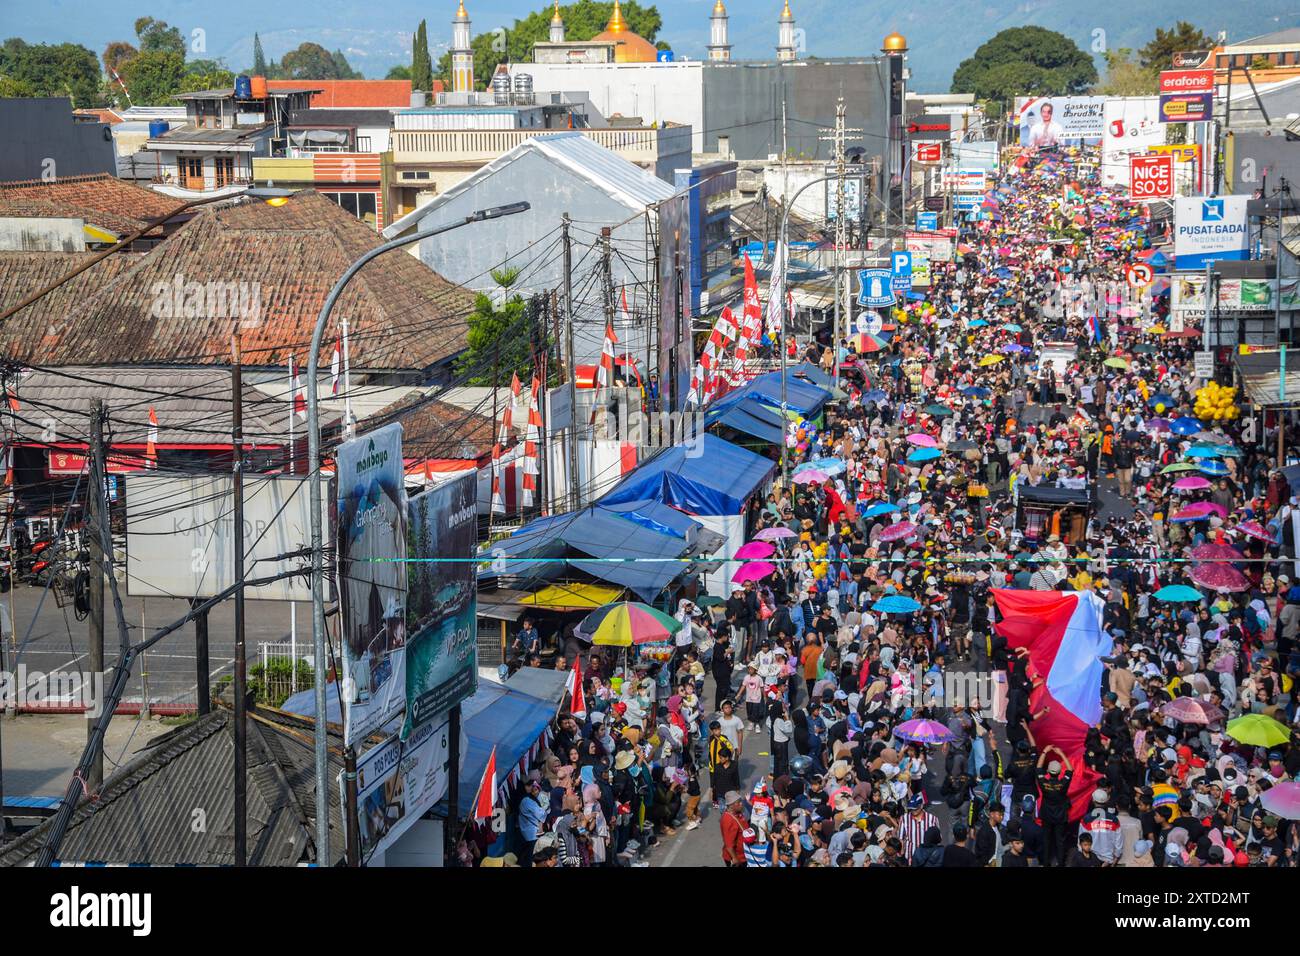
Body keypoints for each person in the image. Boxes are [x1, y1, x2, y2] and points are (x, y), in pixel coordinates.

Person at [1037, 745, 1074, 867]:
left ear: (1048, 771)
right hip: (1060, 816)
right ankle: (1061, 863)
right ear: (1059, 772)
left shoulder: (1044, 783)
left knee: (1046, 839)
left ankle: (1046, 863)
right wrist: (1061, 753)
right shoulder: (1063, 784)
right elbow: (1070, 770)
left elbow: (1038, 768)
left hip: (1047, 815)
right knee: (1060, 841)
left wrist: (1044, 751)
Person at [720, 790, 748, 867]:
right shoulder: (728, 820)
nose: (741, 804)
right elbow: (729, 844)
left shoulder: (738, 813)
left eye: (741, 801)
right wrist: (735, 859)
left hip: (744, 855)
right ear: (731, 805)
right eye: (738, 802)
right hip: (738, 858)